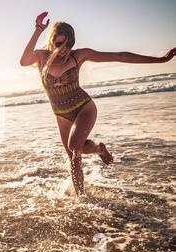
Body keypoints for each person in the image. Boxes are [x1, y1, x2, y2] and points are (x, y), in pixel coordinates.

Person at [20, 11, 176, 196]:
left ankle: (81, 199)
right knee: (73, 155)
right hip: (61, 115)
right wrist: (38, 29)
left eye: (69, 44)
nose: (64, 48)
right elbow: (23, 61)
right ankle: (96, 152)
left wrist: (161, 60)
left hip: (83, 108)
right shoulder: (41, 57)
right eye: (59, 43)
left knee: (75, 148)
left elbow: (120, 56)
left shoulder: (79, 56)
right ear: (52, 40)